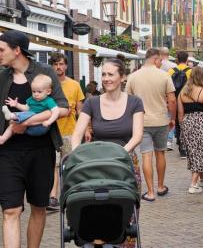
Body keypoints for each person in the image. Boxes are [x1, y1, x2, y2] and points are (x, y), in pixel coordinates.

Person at [0, 30, 69, 248]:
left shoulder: (44, 72)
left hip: (41, 150)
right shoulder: (1, 77)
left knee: (38, 207)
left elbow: (63, 109)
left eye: (2, 49)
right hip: (7, 153)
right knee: (11, 209)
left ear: (17, 50)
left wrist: (26, 123)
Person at [71, 58, 144, 248]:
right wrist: (76, 155)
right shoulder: (92, 102)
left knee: (125, 209)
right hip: (97, 164)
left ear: (122, 77)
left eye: (110, 74)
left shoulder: (135, 102)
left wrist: (119, 153)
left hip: (125, 162)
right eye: (103, 74)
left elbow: (137, 136)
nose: (106, 78)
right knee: (96, 208)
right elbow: (77, 134)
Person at [126, 48, 176, 202]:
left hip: (142, 121)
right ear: (156, 59)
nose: (161, 63)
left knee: (146, 155)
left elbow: (127, 100)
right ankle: (160, 187)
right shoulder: (164, 76)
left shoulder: (133, 77)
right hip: (161, 120)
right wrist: (172, 118)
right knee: (160, 153)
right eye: (161, 60)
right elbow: (172, 100)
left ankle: (150, 192)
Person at [48, 52, 85, 211]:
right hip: (52, 132)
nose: (59, 67)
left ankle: (70, 194)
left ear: (66, 66)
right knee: (54, 165)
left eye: (61, 64)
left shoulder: (75, 85)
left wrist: (86, 129)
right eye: (56, 64)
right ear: (52, 66)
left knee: (69, 164)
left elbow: (81, 110)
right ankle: (53, 197)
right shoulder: (48, 85)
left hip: (71, 131)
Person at [177, 66, 203, 194]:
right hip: (202, 123)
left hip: (187, 123)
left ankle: (202, 178)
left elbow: (180, 114)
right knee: (201, 151)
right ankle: (193, 184)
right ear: (202, 76)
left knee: (193, 152)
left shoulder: (183, 92)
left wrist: (183, 128)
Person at [1, 74, 62, 144]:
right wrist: (17, 105)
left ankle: (12, 115)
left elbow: (56, 111)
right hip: (29, 127)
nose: (36, 94)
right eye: (34, 91)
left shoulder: (49, 101)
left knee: (30, 114)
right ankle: (3, 139)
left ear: (48, 92)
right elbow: (26, 108)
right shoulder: (32, 99)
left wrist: (49, 121)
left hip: (41, 127)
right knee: (13, 124)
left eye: (39, 92)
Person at [168, 51, 192, 158]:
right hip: (187, 100)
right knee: (187, 122)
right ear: (187, 59)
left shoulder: (171, 71)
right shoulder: (191, 71)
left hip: (174, 99)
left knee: (177, 122)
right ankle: (186, 145)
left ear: (177, 59)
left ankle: (180, 143)